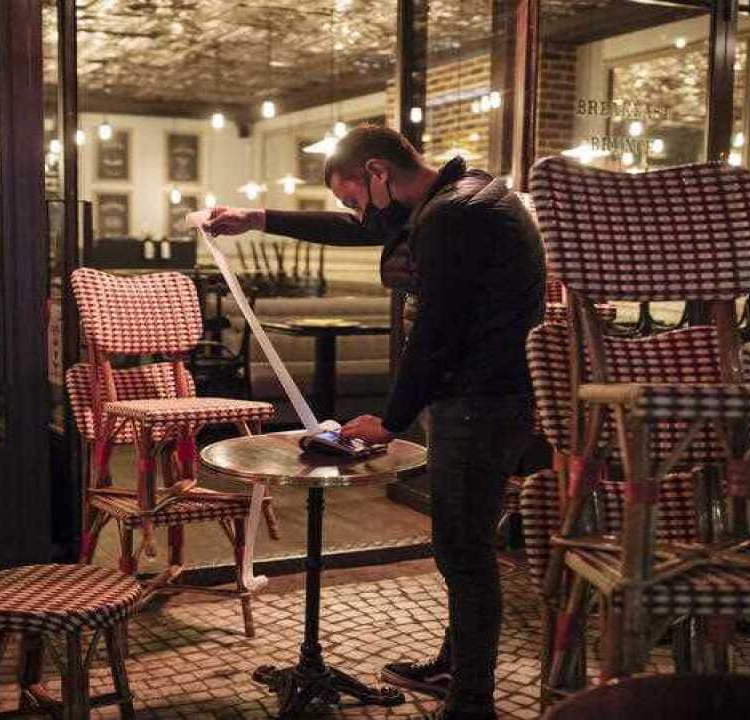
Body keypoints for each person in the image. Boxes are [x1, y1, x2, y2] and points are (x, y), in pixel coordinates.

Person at [208, 125, 544, 720]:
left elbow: (436, 333)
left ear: (379, 172)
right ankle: (454, 667)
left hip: (479, 400)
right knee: (462, 546)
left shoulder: (452, 217)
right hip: (489, 396)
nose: (358, 214)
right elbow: (359, 230)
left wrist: (390, 420)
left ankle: (471, 702)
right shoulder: (462, 195)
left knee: (463, 552)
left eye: (356, 196)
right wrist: (257, 218)